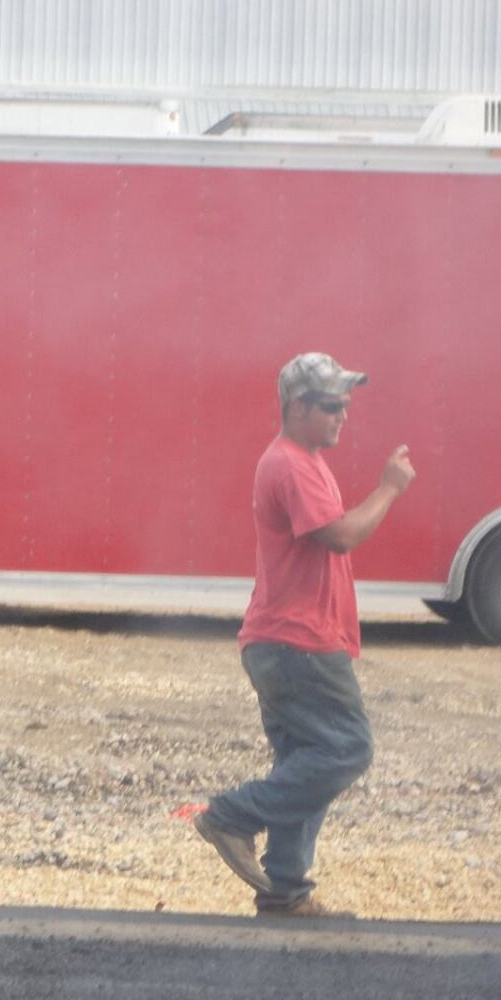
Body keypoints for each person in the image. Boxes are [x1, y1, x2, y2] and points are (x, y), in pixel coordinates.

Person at [193, 353, 416, 917]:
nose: (343, 416)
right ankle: (230, 817)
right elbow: (339, 537)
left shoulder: (303, 460)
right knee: (347, 749)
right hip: (298, 642)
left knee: (306, 760)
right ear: (298, 407)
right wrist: (389, 489)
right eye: (333, 407)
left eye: (345, 405)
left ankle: (285, 890)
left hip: (282, 639)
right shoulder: (291, 464)